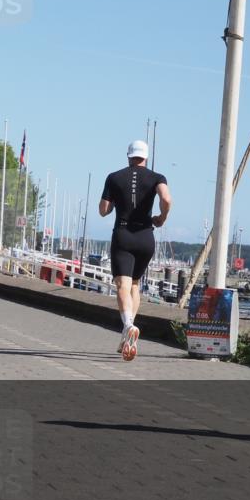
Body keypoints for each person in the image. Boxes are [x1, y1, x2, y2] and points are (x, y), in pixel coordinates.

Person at [99, 139, 172, 361]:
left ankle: (128, 325)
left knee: (122, 283)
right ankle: (126, 333)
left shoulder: (114, 177)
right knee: (134, 285)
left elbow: (103, 210)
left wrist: (114, 203)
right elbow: (166, 199)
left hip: (123, 234)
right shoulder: (157, 177)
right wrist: (161, 217)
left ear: (128, 156)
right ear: (146, 157)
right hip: (145, 236)